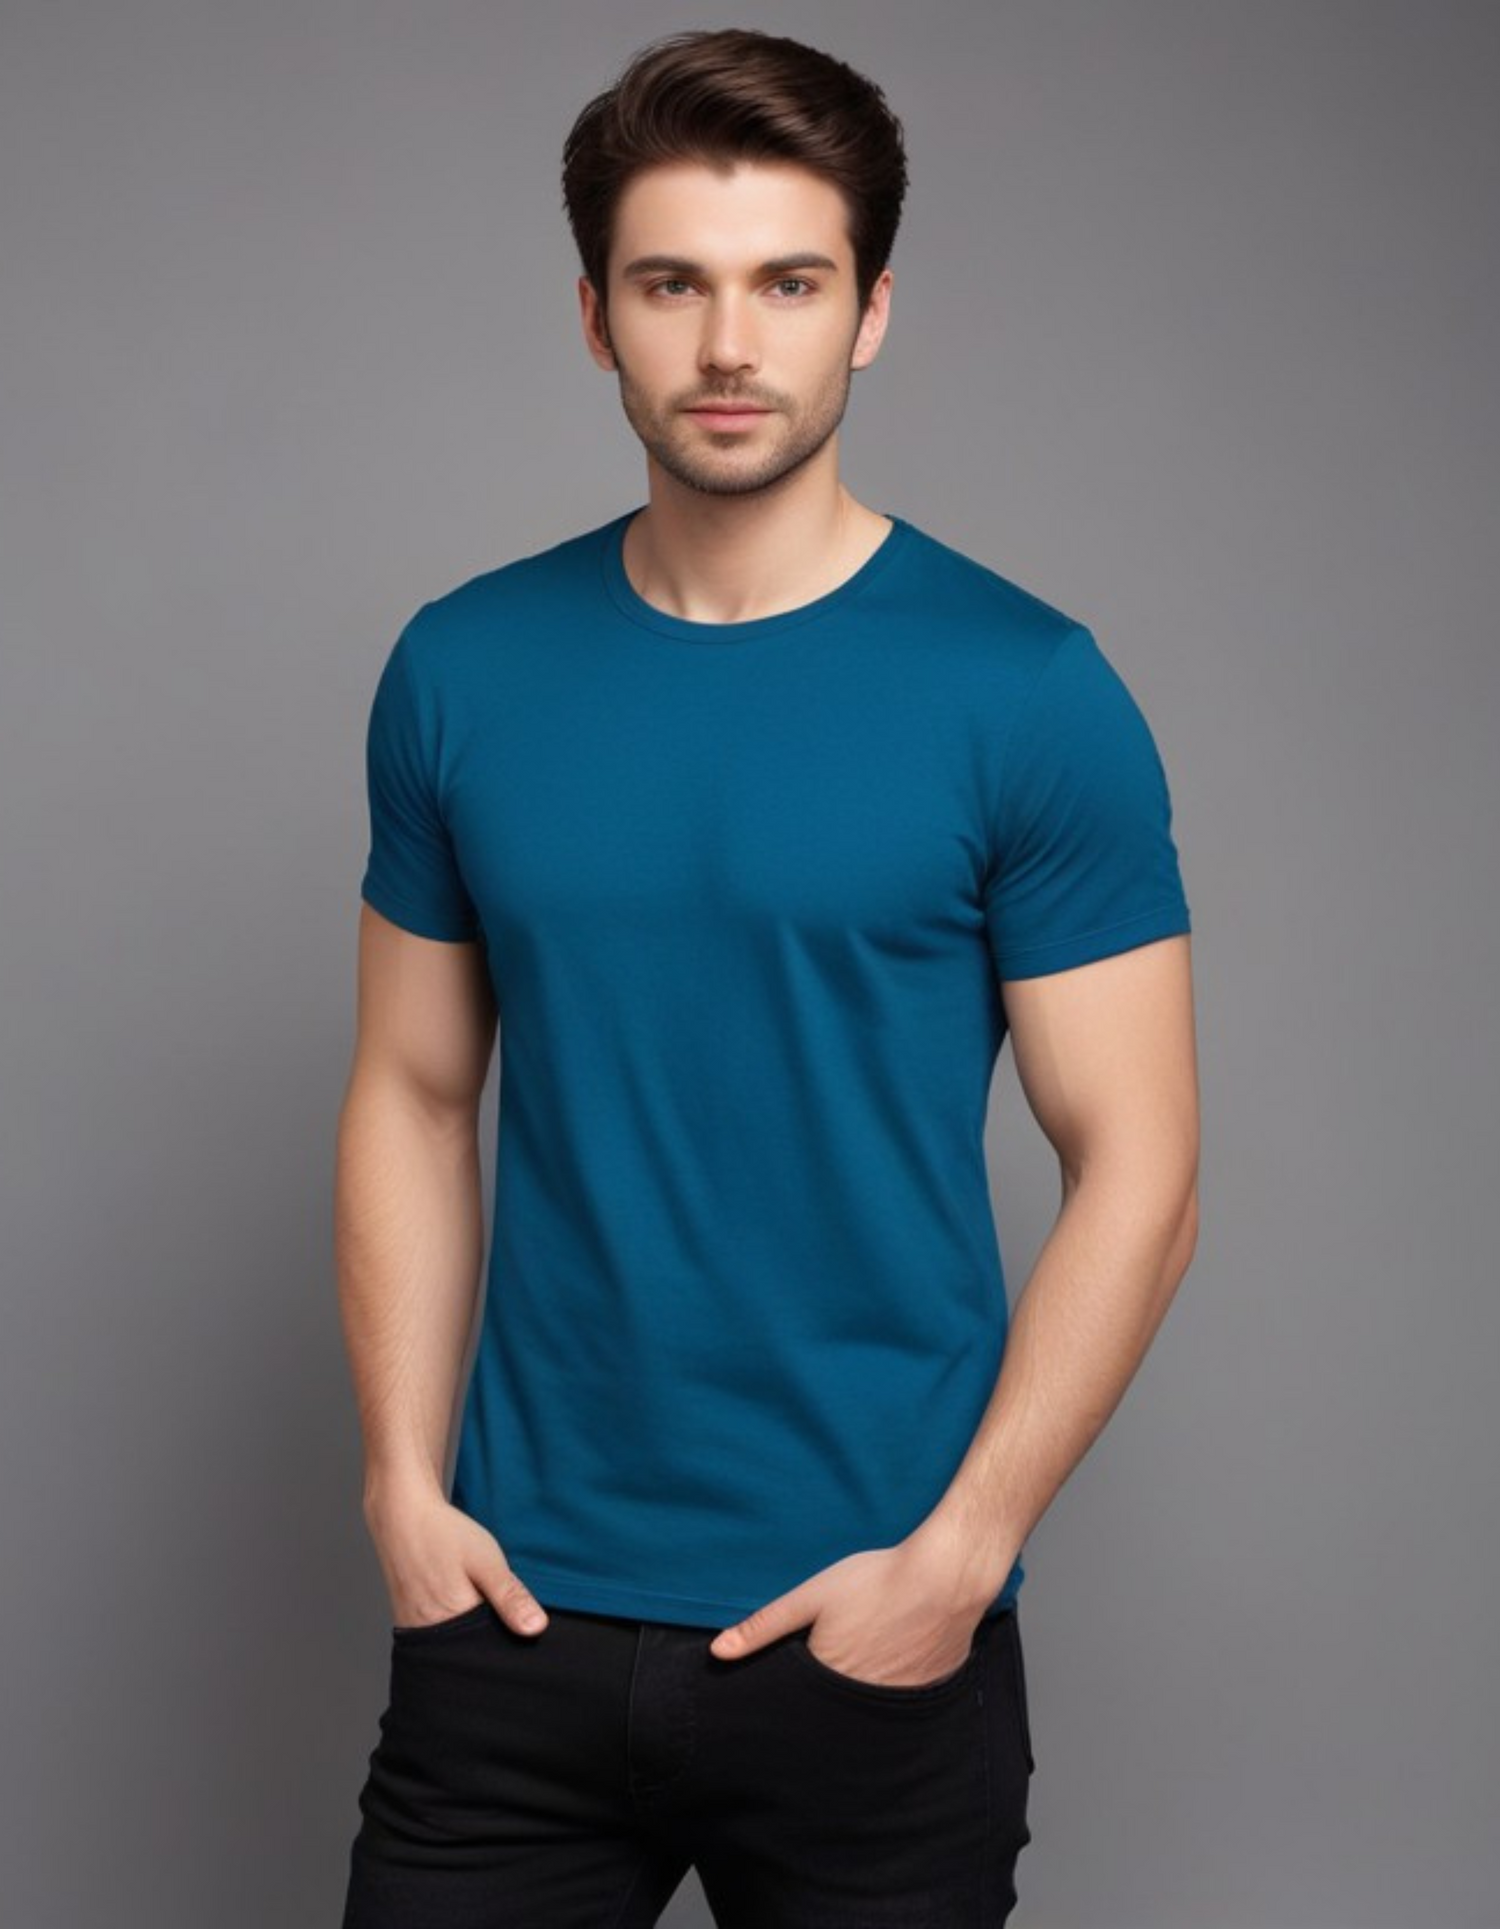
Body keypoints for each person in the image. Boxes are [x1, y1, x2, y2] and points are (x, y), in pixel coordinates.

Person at [335, 26, 1199, 1929]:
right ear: (596, 317)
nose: (730, 344)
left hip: (870, 1635)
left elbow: (1141, 1164)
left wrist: (958, 1560)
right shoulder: (462, 668)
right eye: (674, 284)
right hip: (515, 1623)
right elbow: (412, 1089)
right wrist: (401, 1483)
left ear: (870, 312)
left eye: (789, 284)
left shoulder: (1028, 693)